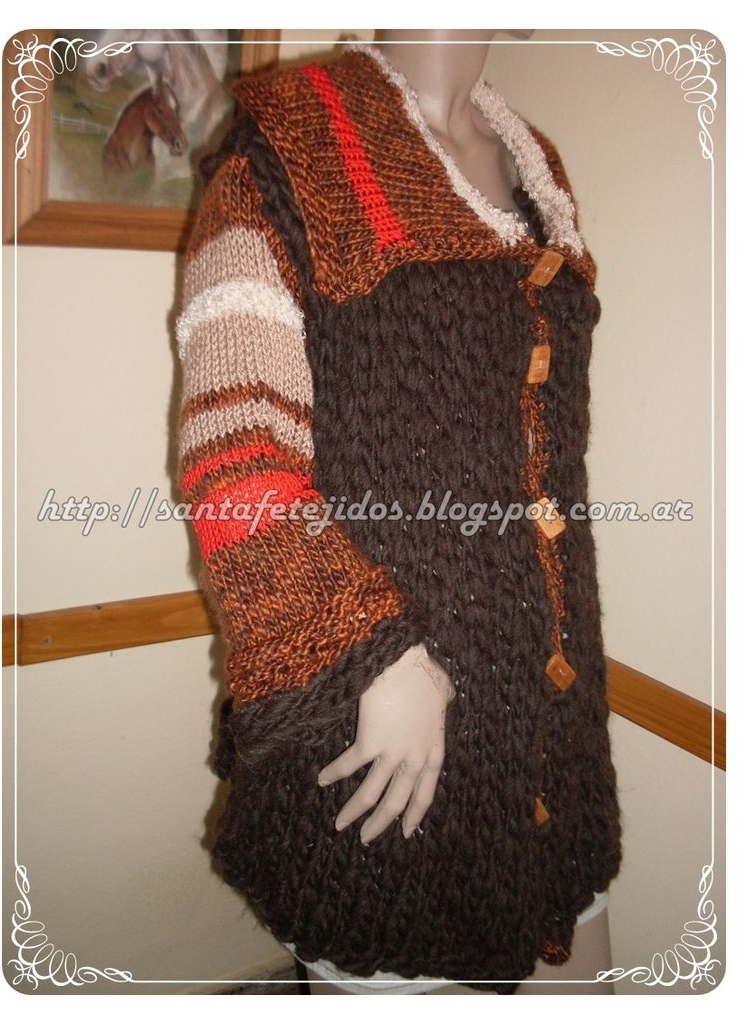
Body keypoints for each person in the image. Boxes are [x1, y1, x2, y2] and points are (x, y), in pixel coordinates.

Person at [174, 29, 623, 994]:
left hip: (549, 750)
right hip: (382, 738)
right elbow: (235, 465)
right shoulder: (290, 148)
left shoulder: (540, 172)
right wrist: (369, 658)